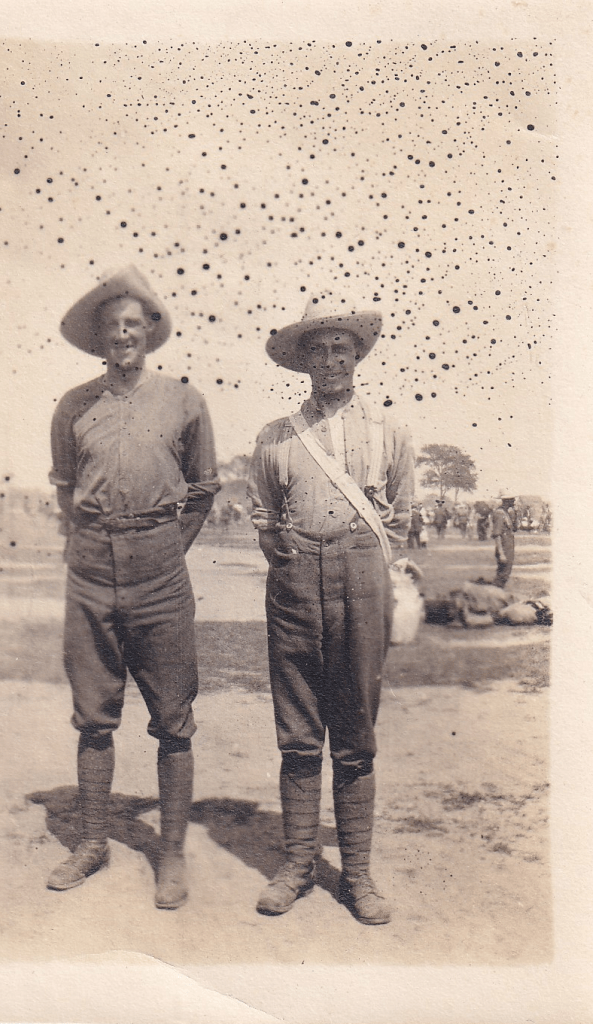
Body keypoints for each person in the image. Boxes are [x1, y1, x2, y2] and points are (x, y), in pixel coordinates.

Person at [47, 266, 219, 909]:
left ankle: (170, 854)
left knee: (173, 720)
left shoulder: (184, 401)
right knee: (94, 716)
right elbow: (65, 489)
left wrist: (166, 548)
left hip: (160, 569)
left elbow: (203, 490)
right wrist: (91, 545)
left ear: (149, 331)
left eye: (132, 323)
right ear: (99, 339)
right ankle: (92, 842)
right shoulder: (73, 406)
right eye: (111, 326)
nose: (122, 334)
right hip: (91, 567)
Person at [247, 299, 414, 925]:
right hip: (294, 583)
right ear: (303, 361)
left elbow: (401, 515)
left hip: (362, 579)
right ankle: (296, 864)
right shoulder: (276, 436)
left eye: (340, 348)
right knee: (297, 730)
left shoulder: (390, 432)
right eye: (316, 350)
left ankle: (358, 875)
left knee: (355, 731)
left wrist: (360, 557)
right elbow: (263, 513)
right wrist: (281, 549)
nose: (329, 359)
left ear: (357, 355)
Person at [491, 491, 516, 588]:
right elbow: (497, 535)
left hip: (508, 547)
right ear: (507, 501)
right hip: (504, 548)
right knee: (503, 574)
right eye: (512, 500)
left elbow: (514, 528)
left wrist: (515, 514)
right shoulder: (499, 513)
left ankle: (497, 591)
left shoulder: (506, 513)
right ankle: (495, 592)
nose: (514, 501)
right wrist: (501, 553)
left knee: (506, 572)